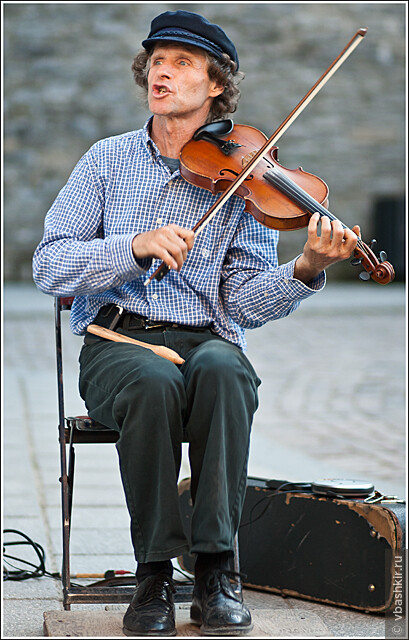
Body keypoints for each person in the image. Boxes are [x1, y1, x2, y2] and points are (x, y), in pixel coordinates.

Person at [33, 10, 360, 637]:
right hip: (117, 340)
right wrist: (130, 246)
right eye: (157, 59)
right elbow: (50, 264)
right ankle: (153, 576)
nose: (162, 71)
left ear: (215, 87)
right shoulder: (105, 162)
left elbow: (241, 304)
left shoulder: (247, 175)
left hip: (206, 336)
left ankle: (216, 572)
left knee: (224, 373)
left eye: (182, 62)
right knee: (153, 384)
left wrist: (305, 266)